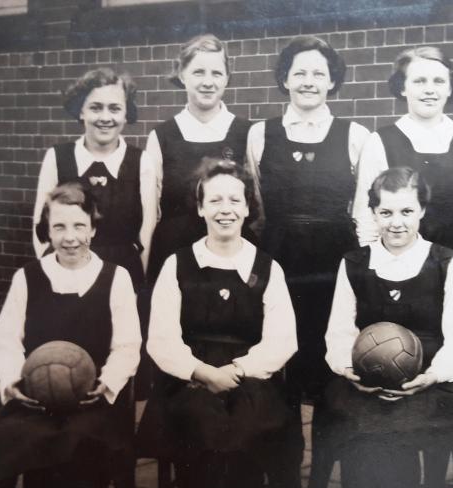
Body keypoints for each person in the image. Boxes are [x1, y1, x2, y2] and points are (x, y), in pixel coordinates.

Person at [0, 183, 141, 488]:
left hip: (91, 398)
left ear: (93, 228)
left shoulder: (116, 278)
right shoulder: (27, 277)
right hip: (35, 398)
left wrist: (107, 384)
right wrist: (13, 381)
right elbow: (6, 338)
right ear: (47, 230)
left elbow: (127, 345)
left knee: (81, 443)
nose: (70, 238)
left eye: (79, 226)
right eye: (59, 227)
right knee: (31, 441)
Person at [136, 159, 301, 488]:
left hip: (251, 377)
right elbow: (160, 338)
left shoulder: (267, 268)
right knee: (205, 428)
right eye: (215, 200)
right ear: (199, 207)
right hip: (190, 376)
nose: (225, 208)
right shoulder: (177, 264)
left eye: (234, 199)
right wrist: (202, 372)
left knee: (246, 430)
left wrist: (239, 371)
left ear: (247, 208)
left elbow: (283, 339)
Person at [323, 167, 453, 488]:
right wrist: (349, 370)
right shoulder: (354, 263)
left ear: (422, 211)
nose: (396, 223)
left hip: (430, 380)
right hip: (367, 376)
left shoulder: (445, 262)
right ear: (373, 213)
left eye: (406, 212)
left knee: (398, 427)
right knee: (357, 420)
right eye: (387, 212)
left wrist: (431, 375)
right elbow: (339, 332)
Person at [247, 35, 369, 401]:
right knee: (278, 349)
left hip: (333, 258)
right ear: (284, 79)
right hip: (279, 255)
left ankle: (327, 443)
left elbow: (363, 210)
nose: (308, 81)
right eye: (298, 72)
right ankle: (280, 448)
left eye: (319, 73)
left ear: (332, 81)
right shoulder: (260, 134)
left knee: (328, 352)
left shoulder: (355, 135)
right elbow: (254, 205)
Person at [352, 46, 453, 276]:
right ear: (402, 87)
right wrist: (372, 268)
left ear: (449, 88)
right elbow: (366, 215)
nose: (429, 90)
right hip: (397, 264)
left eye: (438, 81)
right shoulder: (380, 141)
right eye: (419, 81)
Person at [143, 34, 257, 281]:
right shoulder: (162, 136)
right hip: (173, 255)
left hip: (231, 256)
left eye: (216, 73)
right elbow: (150, 215)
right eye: (198, 72)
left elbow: (257, 207)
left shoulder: (248, 133)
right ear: (182, 75)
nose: (208, 82)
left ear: (227, 78)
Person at [31, 67, 154, 289]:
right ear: (81, 112)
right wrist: (52, 276)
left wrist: (136, 285)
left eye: (115, 108)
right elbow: (41, 230)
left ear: (126, 114)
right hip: (66, 277)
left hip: (122, 278)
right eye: (95, 108)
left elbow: (146, 235)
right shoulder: (58, 158)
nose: (105, 117)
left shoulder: (141, 162)